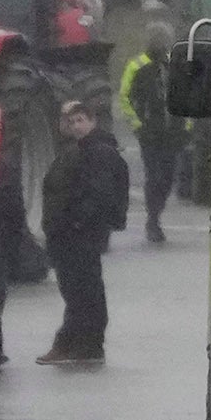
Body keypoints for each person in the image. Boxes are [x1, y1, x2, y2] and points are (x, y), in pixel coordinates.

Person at [39, 99, 131, 363]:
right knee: (78, 289)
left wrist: (78, 222)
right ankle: (82, 343)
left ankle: (78, 343)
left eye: (81, 120)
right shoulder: (79, 150)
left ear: (92, 121)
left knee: (82, 290)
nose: (76, 126)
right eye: (71, 122)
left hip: (79, 234)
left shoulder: (98, 152)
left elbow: (98, 194)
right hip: (70, 233)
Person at [120, 27, 184, 242]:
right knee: (153, 176)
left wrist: (187, 127)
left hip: (172, 133)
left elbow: (187, 97)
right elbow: (124, 97)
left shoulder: (174, 66)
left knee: (167, 178)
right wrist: (138, 124)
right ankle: (153, 219)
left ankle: (157, 213)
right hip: (150, 134)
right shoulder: (136, 66)